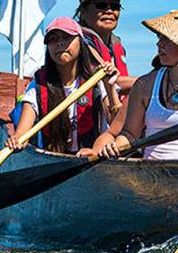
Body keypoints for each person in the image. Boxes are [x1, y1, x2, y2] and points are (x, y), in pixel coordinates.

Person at [92, 10, 178, 160]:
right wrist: (114, 147)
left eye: (167, 39)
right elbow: (130, 134)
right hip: (152, 176)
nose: (159, 43)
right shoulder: (144, 85)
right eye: (159, 37)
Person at [7, 17, 119, 155]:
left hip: (91, 156)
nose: (59, 43)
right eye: (53, 39)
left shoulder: (96, 80)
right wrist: (18, 138)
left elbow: (116, 126)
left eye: (66, 37)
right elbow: (22, 132)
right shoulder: (38, 84)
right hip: (52, 159)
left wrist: (110, 87)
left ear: (80, 42)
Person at [75, 0, 136, 94]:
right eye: (101, 5)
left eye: (115, 6)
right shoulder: (77, 42)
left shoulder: (116, 44)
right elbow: (104, 79)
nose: (109, 11)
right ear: (83, 12)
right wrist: (150, 82)